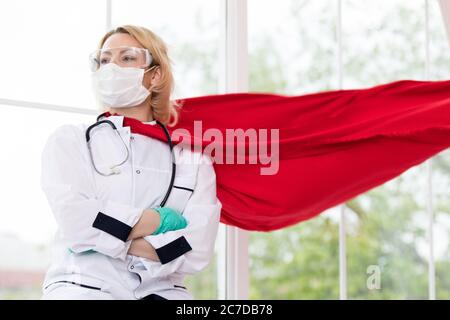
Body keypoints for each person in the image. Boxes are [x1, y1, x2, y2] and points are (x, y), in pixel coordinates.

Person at [40, 25, 221, 300]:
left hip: (164, 291)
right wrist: (159, 222)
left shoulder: (192, 161)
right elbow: (76, 223)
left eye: (126, 58)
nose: (111, 67)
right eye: (104, 60)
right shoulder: (71, 141)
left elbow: (196, 249)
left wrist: (103, 237)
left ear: (155, 75)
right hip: (83, 287)